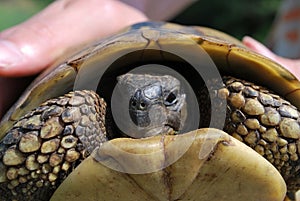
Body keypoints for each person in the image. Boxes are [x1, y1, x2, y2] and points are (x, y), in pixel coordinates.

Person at [0, 0, 299, 119]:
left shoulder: (230, 96)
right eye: (135, 102)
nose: (152, 110)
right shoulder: (83, 110)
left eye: (169, 98)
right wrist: (116, 4)